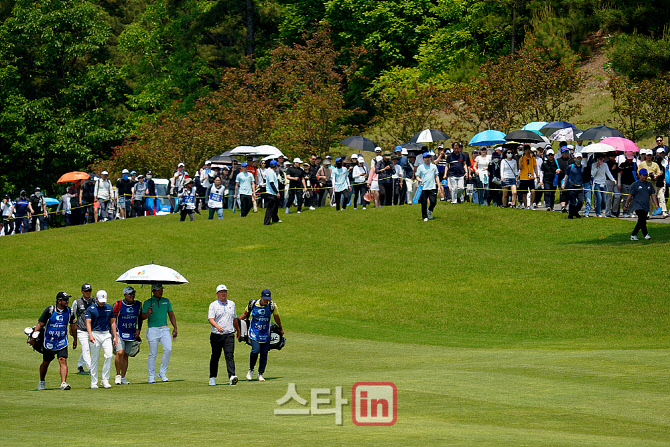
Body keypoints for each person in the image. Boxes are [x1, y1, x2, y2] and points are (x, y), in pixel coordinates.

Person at [33, 292, 76, 390]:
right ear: (59, 301)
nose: (67, 301)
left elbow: (73, 326)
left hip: (62, 341)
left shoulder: (70, 311)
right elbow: (40, 324)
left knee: (63, 360)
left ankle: (63, 383)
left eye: (67, 299)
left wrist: (75, 340)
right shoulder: (50, 310)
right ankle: (42, 381)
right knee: (46, 362)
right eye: (65, 300)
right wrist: (33, 337)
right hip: (49, 341)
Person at [238, 289, 283, 382]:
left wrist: (281, 328)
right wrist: (237, 324)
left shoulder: (272, 306)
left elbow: (276, 317)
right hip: (254, 332)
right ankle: (251, 370)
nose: (266, 301)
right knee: (255, 351)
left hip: (266, 333)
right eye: (265, 299)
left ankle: (260, 374)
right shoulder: (253, 304)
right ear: (261, 297)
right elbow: (245, 314)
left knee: (264, 354)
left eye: (268, 299)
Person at [141, 284, 177, 383]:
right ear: (153, 291)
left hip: (164, 329)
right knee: (153, 353)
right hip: (152, 329)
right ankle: (151, 376)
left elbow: (171, 314)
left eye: (161, 289)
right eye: (158, 290)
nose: (161, 291)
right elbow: (142, 317)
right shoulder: (148, 302)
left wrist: (175, 327)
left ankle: (162, 372)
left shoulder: (166, 301)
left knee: (168, 349)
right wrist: (148, 313)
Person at [208, 285, 239, 386]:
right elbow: (211, 319)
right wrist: (217, 326)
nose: (223, 293)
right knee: (215, 356)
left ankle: (232, 376)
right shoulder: (213, 305)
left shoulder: (232, 304)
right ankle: (212, 377)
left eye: (225, 292)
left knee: (229, 356)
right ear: (217, 294)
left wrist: (238, 330)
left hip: (229, 334)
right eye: (221, 292)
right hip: (216, 335)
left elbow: (234, 318)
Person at [86, 290, 117, 389]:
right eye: (100, 300)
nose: (102, 302)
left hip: (106, 334)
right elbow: (88, 322)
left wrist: (115, 336)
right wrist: (90, 335)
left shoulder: (109, 308)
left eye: (103, 301)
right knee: (94, 359)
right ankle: (94, 382)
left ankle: (105, 380)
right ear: (96, 299)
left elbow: (112, 322)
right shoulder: (91, 309)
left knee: (109, 356)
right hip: (95, 334)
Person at [112, 286, 142, 385]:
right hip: (119, 332)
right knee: (120, 353)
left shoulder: (138, 304)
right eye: (130, 294)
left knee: (126, 355)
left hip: (131, 332)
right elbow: (113, 318)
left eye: (133, 294)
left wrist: (139, 329)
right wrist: (113, 332)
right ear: (125, 294)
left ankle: (123, 377)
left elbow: (140, 317)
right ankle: (117, 375)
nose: (132, 296)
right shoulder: (118, 304)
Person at [624, 168, 659, 240]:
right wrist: (626, 205)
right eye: (643, 175)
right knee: (641, 218)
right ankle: (645, 234)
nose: (645, 177)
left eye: (646, 175)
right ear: (639, 175)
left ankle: (634, 235)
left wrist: (656, 204)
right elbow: (630, 196)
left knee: (642, 220)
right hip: (638, 205)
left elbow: (653, 195)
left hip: (646, 206)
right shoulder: (635, 185)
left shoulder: (649, 185)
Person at [72, 283, 94, 374]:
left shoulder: (94, 301)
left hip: (92, 329)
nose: (88, 293)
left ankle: (80, 365)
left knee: (89, 348)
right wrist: (72, 328)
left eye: (89, 291)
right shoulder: (77, 302)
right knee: (86, 349)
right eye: (86, 291)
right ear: (82, 291)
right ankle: (91, 369)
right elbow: (72, 315)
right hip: (81, 329)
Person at [416, 152, 442, 221]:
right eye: (426, 158)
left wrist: (439, 186)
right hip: (423, 187)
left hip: (432, 186)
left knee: (433, 202)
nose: (427, 159)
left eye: (429, 157)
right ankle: (424, 216)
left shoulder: (433, 166)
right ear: (423, 159)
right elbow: (417, 176)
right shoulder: (420, 167)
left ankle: (430, 210)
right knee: (424, 203)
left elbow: (436, 176)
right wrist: (420, 180)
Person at [562, 152, 585, 219]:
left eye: (580, 158)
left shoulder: (583, 167)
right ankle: (571, 215)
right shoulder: (570, 167)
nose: (579, 159)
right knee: (572, 202)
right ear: (575, 159)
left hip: (579, 187)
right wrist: (563, 184)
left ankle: (575, 212)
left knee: (580, 202)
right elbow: (566, 176)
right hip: (572, 186)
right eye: (577, 158)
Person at [518, 145, 538, 209]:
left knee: (533, 191)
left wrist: (537, 175)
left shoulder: (533, 158)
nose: (528, 151)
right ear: (524, 151)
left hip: (531, 177)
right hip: (524, 178)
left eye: (528, 150)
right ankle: (526, 205)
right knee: (524, 193)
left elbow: (535, 167)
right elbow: (520, 168)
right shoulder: (522, 158)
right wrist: (521, 161)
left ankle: (531, 204)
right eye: (526, 150)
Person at [263, 160, 281, 225]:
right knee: (270, 208)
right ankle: (266, 222)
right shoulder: (271, 173)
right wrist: (277, 192)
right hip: (271, 193)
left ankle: (275, 219)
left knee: (275, 207)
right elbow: (272, 183)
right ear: (275, 166)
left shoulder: (273, 172)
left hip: (273, 193)